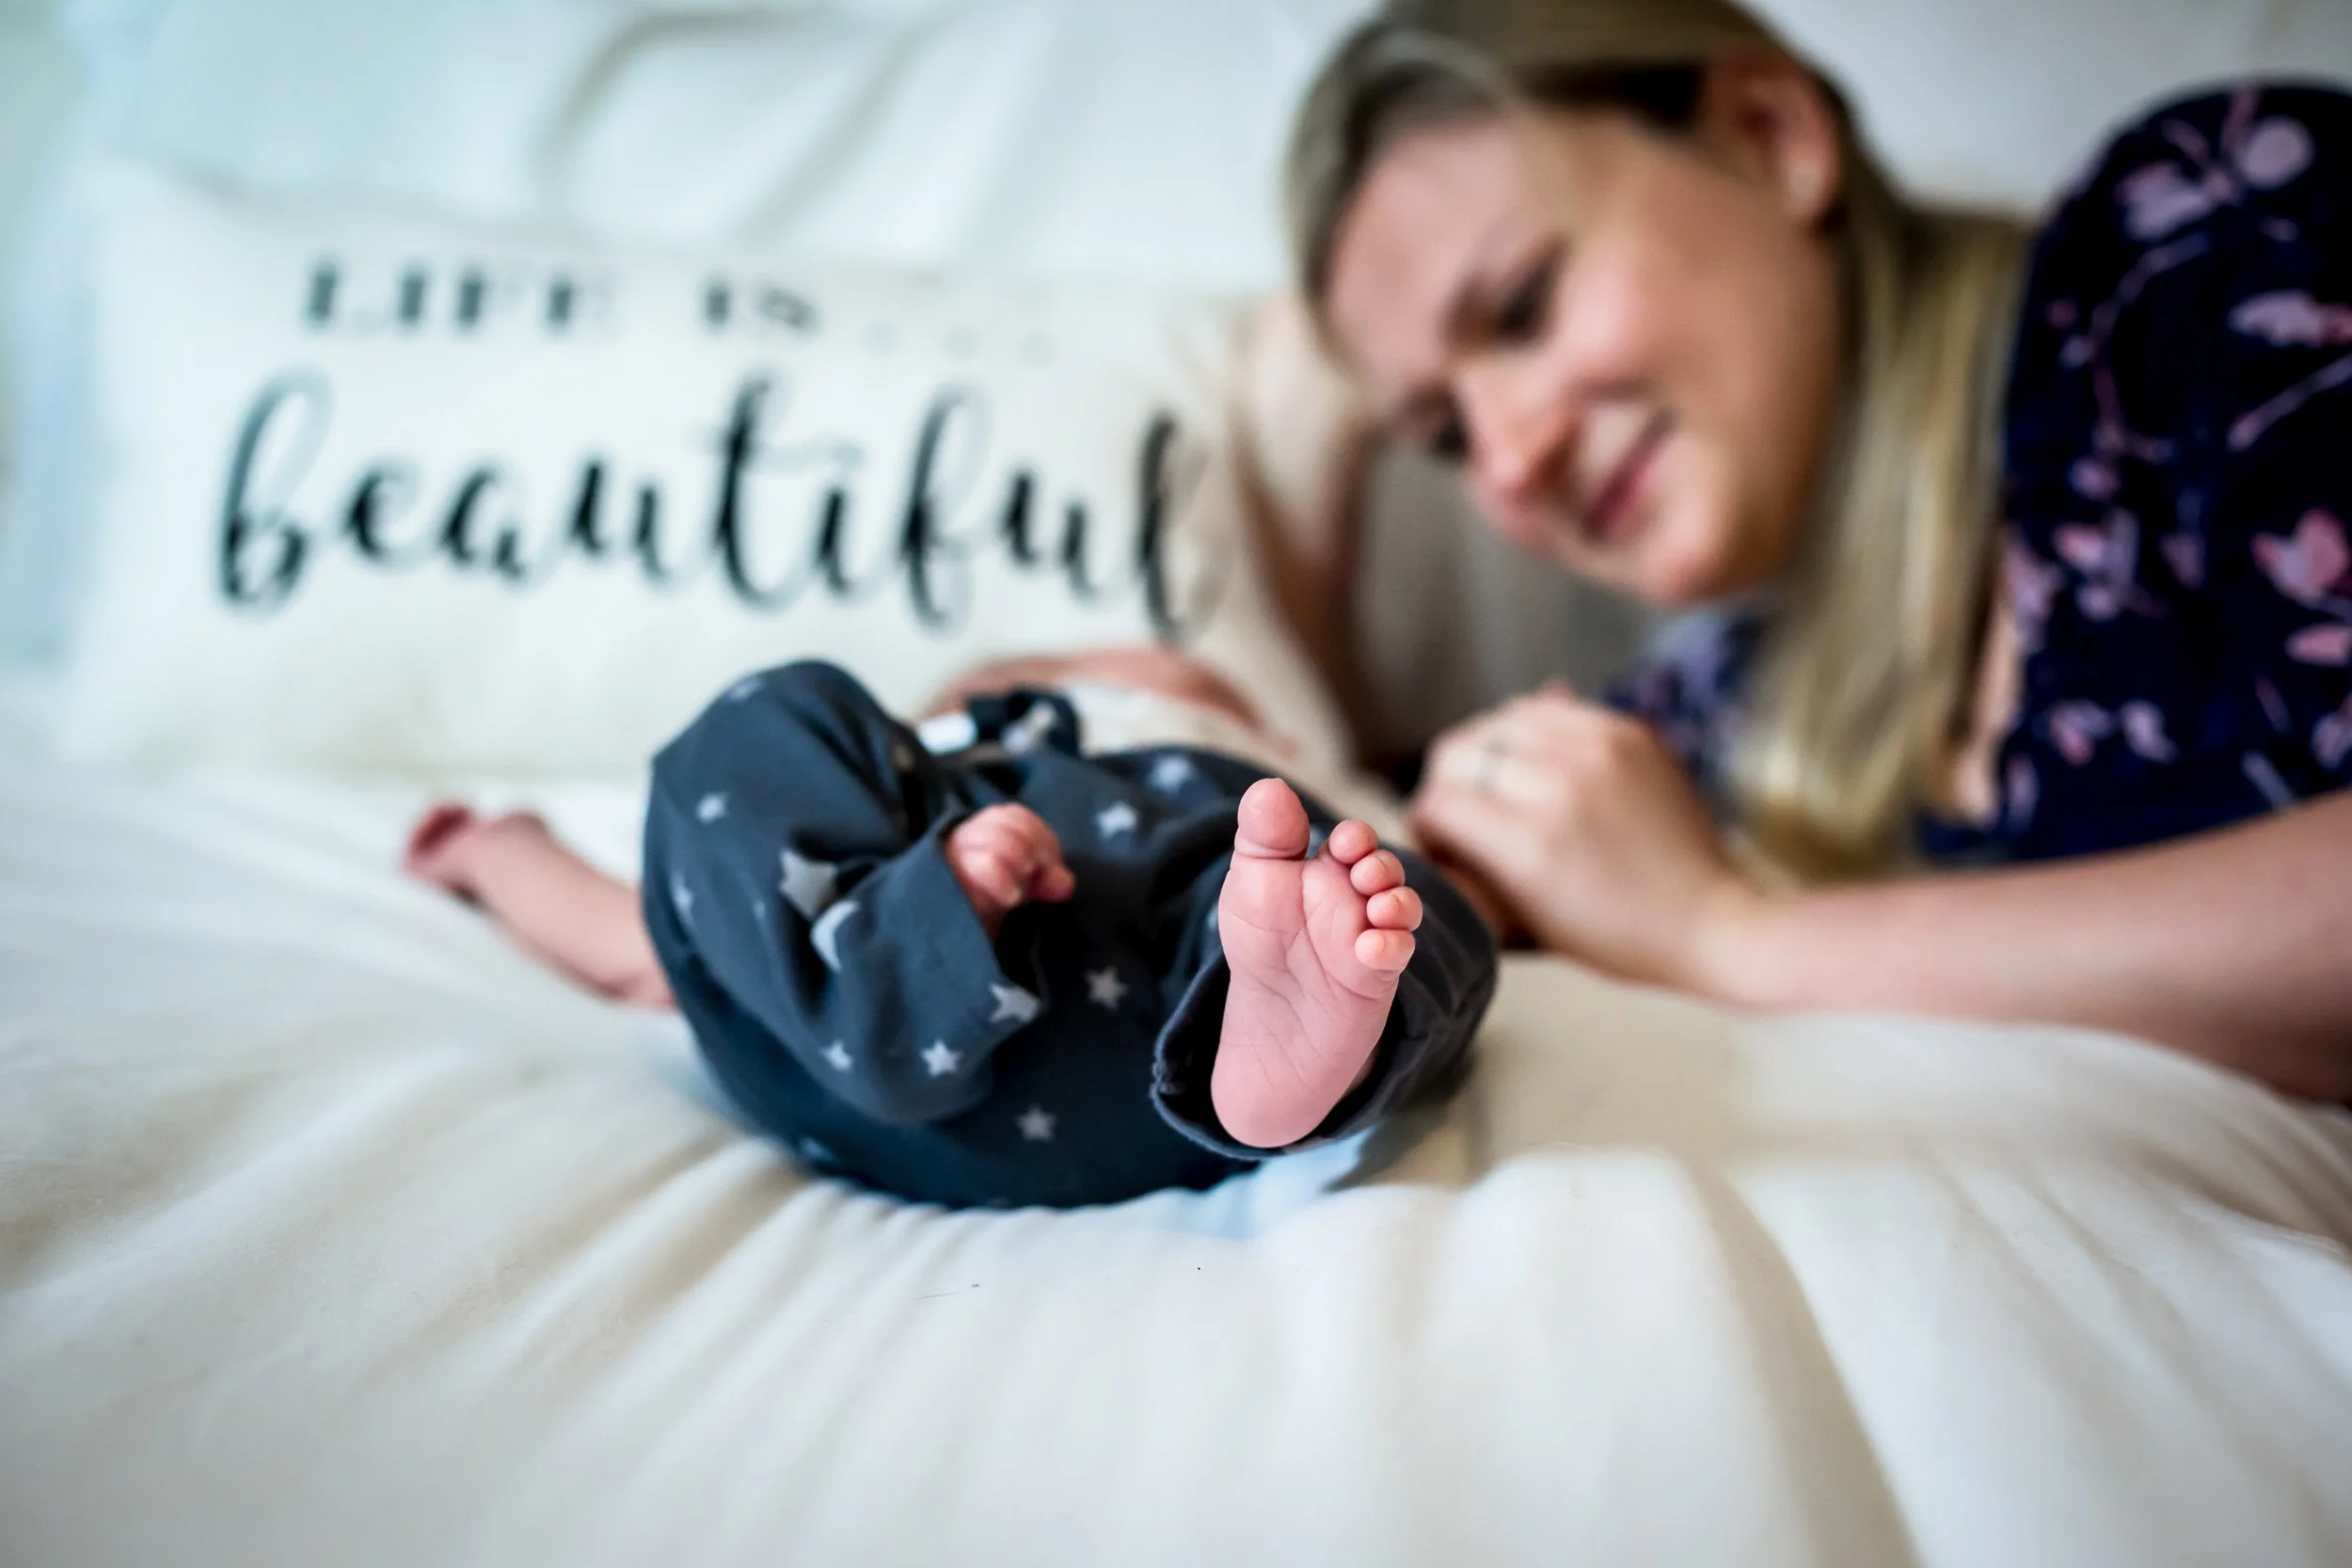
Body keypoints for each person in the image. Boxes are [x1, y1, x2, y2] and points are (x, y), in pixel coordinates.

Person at [1249, 0, 2352, 1101]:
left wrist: (1726, 940)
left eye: (1524, 305)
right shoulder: (1718, 714)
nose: (1507, 466)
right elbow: (1379, 866)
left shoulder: (2208, 244)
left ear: (1769, 136)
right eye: (1445, 438)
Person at [405, 649, 1497, 1209]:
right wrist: (501, 851)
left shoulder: (1255, 787)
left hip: (1196, 951)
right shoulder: (934, 757)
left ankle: (1277, 1042)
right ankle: (899, 954)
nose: (1161, 676)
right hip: (932, 933)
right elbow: (630, 934)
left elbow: (632, 946)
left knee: (1387, 898)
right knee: (776, 721)